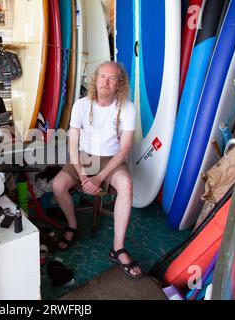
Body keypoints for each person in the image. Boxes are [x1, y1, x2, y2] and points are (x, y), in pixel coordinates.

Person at [52, 61, 142, 278]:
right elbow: (72, 145)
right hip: (83, 157)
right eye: (102, 76)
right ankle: (72, 225)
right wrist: (83, 176)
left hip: (111, 159)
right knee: (57, 185)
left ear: (119, 83)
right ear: (95, 79)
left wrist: (99, 177)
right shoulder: (81, 105)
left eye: (112, 78)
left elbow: (125, 149)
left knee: (126, 184)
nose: (106, 82)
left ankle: (118, 248)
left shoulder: (127, 107)